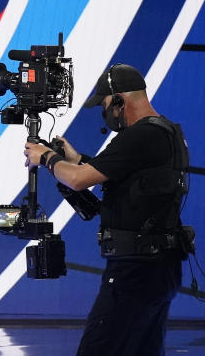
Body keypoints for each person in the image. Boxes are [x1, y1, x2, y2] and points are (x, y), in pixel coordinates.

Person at [23, 63, 191, 356]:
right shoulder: (167, 132)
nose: (106, 114)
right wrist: (77, 159)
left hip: (134, 272)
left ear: (118, 101)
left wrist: (46, 156)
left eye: (104, 106)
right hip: (160, 268)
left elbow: (76, 180)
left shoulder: (138, 136)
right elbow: (130, 176)